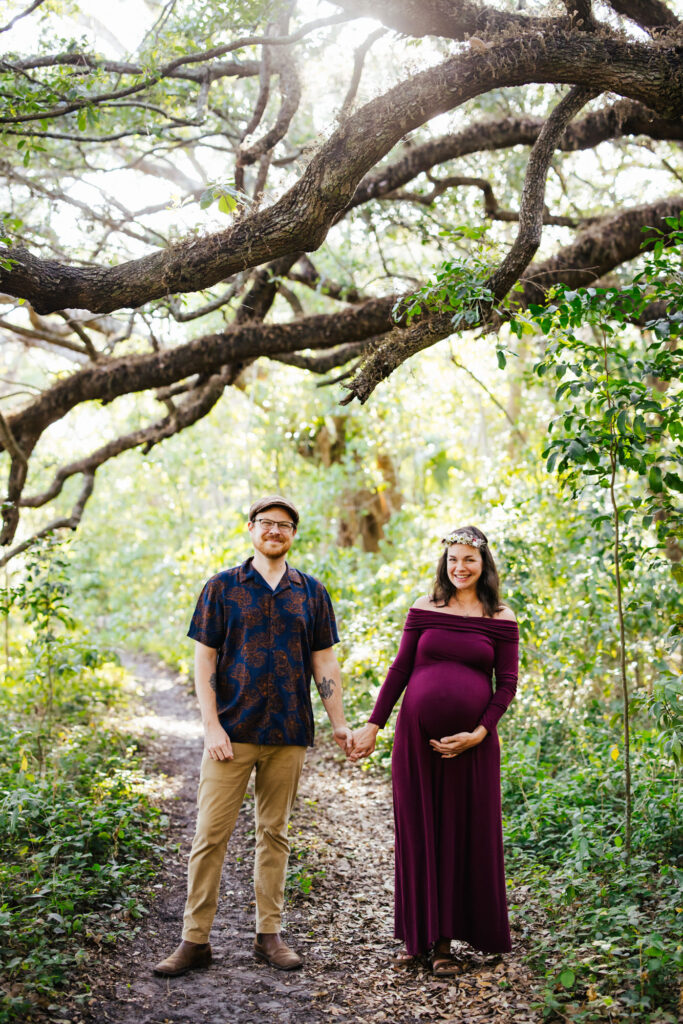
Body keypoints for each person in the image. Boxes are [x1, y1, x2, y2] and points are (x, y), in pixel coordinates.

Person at [153, 495, 353, 977]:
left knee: (275, 835)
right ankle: (194, 940)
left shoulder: (311, 592)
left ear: (293, 535)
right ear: (250, 528)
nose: (275, 531)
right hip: (232, 731)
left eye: (285, 525)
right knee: (209, 836)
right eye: (267, 523)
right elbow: (204, 661)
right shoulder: (222, 588)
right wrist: (211, 727)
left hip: (288, 731)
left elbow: (323, 661)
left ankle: (269, 936)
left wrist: (339, 722)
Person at [351, 525, 518, 976]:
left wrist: (481, 732)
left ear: (484, 565)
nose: (460, 568)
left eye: (469, 560)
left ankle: (444, 944)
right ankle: (416, 936)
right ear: (444, 564)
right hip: (415, 743)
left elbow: (507, 685)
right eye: (453, 560)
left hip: (473, 749)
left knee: (461, 834)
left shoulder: (500, 616)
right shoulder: (424, 608)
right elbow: (401, 668)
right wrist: (373, 725)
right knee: (418, 831)